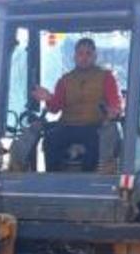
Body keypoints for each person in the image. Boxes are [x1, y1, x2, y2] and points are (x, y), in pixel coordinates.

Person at [32, 38, 125, 171]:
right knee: (50, 139)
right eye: (80, 53)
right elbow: (54, 107)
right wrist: (47, 98)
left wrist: (114, 110)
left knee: (96, 143)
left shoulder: (106, 77)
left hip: (94, 127)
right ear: (75, 56)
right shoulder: (65, 80)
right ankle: (53, 181)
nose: (84, 57)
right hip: (68, 126)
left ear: (95, 56)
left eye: (88, 54)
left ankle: (88, 182)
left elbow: (115, 102)